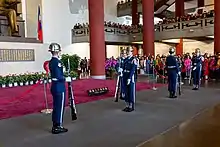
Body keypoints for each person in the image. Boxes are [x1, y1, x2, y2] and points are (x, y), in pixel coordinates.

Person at [48, 43, 71, 134]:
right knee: (60, 107)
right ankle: (58, 126)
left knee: (56, 106)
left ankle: (55, 124)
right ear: (58, 51)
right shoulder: (57, 62)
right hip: (59, 86)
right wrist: (66, 78)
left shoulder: (51, 61)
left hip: (54, 85)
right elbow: (58, 76)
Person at [122, 47, 137, 112]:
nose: (128, 53)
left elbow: (133, 69)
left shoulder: (133, 60)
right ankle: (127, 105)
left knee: (130, 91)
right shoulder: (126, 59)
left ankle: (131, 105)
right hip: (125, 75)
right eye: (127, 51)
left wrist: (129, 78)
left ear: (131, 52)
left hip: (130, 76)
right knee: (126, 91)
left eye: (129, 51)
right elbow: (122, 67)